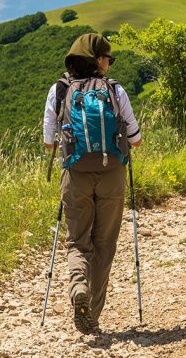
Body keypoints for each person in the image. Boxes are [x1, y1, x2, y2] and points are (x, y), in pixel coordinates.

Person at [43, 33, 142, 334]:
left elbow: (49, 143)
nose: (109, 64)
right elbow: (135, 140)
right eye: (108, 58)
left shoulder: (59, 90)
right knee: (104, 245)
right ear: (97, 60)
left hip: (75, 176)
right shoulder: (115, 90)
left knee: (78, 242)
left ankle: (78, 289)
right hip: (112, 175)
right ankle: (92, 317)